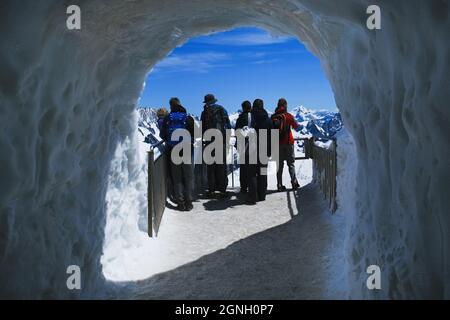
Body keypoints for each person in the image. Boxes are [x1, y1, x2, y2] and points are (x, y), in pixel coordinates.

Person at [160, 98, 195, 211]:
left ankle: (180, 203)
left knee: (177, 177)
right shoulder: (188, 118)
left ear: (171, 106)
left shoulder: (167, 118)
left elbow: (163, 135)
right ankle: (188, 202)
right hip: (187, 149)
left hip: (173, 150)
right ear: (180, 104)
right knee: (188, 176)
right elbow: (195, 133)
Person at [200, 94, 231, 198]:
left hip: (209, 142)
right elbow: (228, 126)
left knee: (211, 167)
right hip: (220, 141)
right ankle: (222, 190)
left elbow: (201, 129)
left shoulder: (204, 113)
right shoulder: (222, 109)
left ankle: (211, 190)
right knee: (221, 166)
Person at [245, 99, 273, 204]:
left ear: (253, 106)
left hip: (252, 149)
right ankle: (262, 195)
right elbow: (272, 136)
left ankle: (253, 197)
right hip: (264, 149)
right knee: (263, 173)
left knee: (252, 173)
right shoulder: (268, 119)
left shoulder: (250, 118)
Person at [271, 98, 300, 191]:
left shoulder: (273, 117)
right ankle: (294, 182)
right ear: (285, 105)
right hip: (288, 143)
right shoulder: (288, 116)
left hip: (278, 144)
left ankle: (279, 185)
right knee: (291, 164)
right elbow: (296, 127)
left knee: (279, 165)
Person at [234, 100, 252, 194]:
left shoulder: (240, 118)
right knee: (252, 167)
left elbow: (237, 131)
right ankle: (252, 186)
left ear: (243, 108)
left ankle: (244, 187)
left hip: (242, 144)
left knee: (243, 167)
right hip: (254, 145)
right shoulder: (254, 117)